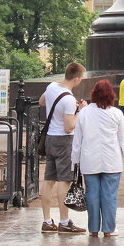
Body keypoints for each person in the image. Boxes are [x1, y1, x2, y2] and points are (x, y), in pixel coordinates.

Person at [71, 80, 124, 237]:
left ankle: (93, 228)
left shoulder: (84, 113)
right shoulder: (116, 113)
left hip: (89, 159)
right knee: (110, 196)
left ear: (93, 94)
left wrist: (75, 159)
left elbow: (77, 139)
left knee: (92, 194)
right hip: (111, 160)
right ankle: (108, 228)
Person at [39, 62, 88, 234]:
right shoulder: (68, 99)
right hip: (64, 140)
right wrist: (80, 110)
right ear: (75, 78)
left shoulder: (52, 86)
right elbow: (69, 127)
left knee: (48, 179)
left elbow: (42, 101)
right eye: (80, 78)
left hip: (50, 139)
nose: (80, 81)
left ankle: (46, 220)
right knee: (64, 180)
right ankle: (64, 221)